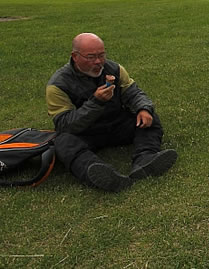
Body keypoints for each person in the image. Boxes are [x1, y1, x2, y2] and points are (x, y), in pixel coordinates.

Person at [46, 33, 177, 192]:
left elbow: (133, 93)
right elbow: (65, 124)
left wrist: (144, 108)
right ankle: (98, 172)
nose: (98, 61)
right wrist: (96, 102)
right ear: (75, 56)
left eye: (102, 55)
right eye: (91, 57)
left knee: (149, 117)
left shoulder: (114, 69)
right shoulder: (58, 85)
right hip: (87, 132)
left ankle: (145, 159)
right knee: (63, 141)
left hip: (116, 125)